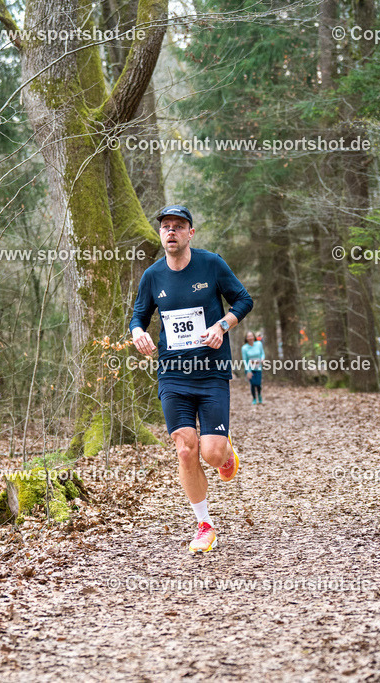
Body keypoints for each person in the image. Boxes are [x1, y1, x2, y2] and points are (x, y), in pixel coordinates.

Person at [129, 205, 254, 553]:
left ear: (190, 233)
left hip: (211, 371)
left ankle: (226, 452)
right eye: (166, 227)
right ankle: (204, 525)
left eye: (179, 226)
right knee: (185, 450)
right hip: (172, 374)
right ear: (161, 234)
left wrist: (222, 325)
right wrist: (138, 332)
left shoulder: (211, 264)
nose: (171, 231)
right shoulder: (152, 276)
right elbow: (138, 315)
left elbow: (244, 300)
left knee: (211, 455)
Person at [242, 332, 265, 404]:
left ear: (254, 337)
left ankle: (259, 395)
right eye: (248, 337)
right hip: (250, 368)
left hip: (258, 367)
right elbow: (245, 360)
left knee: (258, 384)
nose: (250, 338)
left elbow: (262, 353)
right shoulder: (244, 348)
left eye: (251, 336)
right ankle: (254, 398)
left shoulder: (259, 344)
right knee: (253, 384)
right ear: (246, 338)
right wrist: (248, 371)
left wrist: (262, 359)